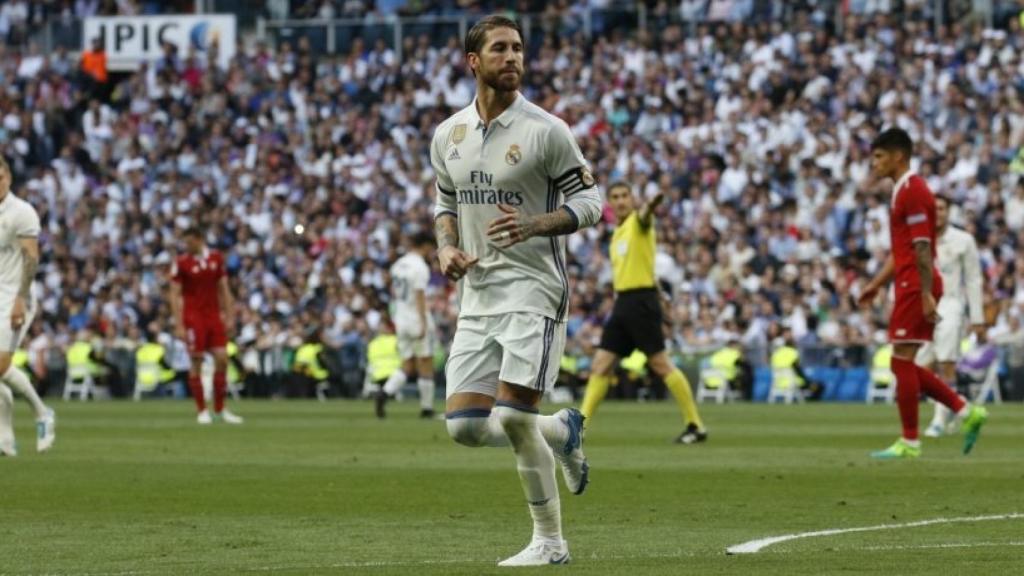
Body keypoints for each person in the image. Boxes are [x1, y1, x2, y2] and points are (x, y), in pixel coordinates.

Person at [431, 15, 603, 566]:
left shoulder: (547, 130)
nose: (513, 58)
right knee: (464, 427)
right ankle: (562, 430)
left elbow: (592, 204)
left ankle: (551, 542)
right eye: (500, 49)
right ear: (473, 61)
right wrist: (446, 249)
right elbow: (445, 203)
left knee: (513, 417)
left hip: (534, 289)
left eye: (518, 49)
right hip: (478, 295)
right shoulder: (449, 134)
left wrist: (534, 224)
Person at [858, 128, 987, 459]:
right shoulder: (902, 190)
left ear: (898, 156)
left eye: (879, 156)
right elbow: (902, 250)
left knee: (901, 361)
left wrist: (927, 293)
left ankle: (911, 440)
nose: (874, 163)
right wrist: (876, 283)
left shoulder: (913, 190)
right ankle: (964, 410)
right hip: (910, 281)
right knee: (902, 361)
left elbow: (922, 247)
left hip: (916, 283)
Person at [579, 182, 707, 444]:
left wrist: (651, 205)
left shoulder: (639, 222)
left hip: (640, 302)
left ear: (632, 198)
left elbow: (646, 214)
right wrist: (661, 294)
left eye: (625, 195)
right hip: (623, 303)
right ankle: (578, 428)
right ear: (610, 203)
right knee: (600, 365)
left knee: (660, 363)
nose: (621, 200)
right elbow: (645, 266)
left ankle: (695, 425)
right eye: (616, 197)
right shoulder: (618, 233)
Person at [916, 194, 986, 437]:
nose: (938, 213)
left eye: (942, 208)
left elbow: (974, 279)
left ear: (949, 211)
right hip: (922, 305)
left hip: (950, 303)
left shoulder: (963, 240)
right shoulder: (918, 239)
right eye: (933, 208)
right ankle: (958, 404)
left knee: (946, 362)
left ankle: (938, 420)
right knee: (919, 368)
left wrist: (977, 318)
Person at [0, 156, 55, 455]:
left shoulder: (21, 212)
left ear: (8, 176)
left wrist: (20, 299)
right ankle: (6, 439)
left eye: (0, 177)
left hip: (14, 296)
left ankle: (42, 413)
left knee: (0, 365)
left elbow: (31, 258)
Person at [169, 226, 243, 425]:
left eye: (189, 242)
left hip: (213, 316)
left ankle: (220, 409)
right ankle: (202, 410)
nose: (187, 246)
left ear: (200, 239)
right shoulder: (181, 263)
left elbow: (224, 289)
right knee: (197, 361)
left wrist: (229, 315)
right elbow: (174, 294)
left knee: (222, 359)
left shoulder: (216, 258)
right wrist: (179, 324)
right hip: (193, 318)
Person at [377, 231, 438, 418]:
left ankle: (384, 393)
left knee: (407, 364)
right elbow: (419, 296)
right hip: (415, 318)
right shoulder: (420, 267)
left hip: (401, 318)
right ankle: (427, 408)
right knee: (425, 362)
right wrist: (423, 323)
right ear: (425, 246)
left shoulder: (398, 265)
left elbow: (393, 290)